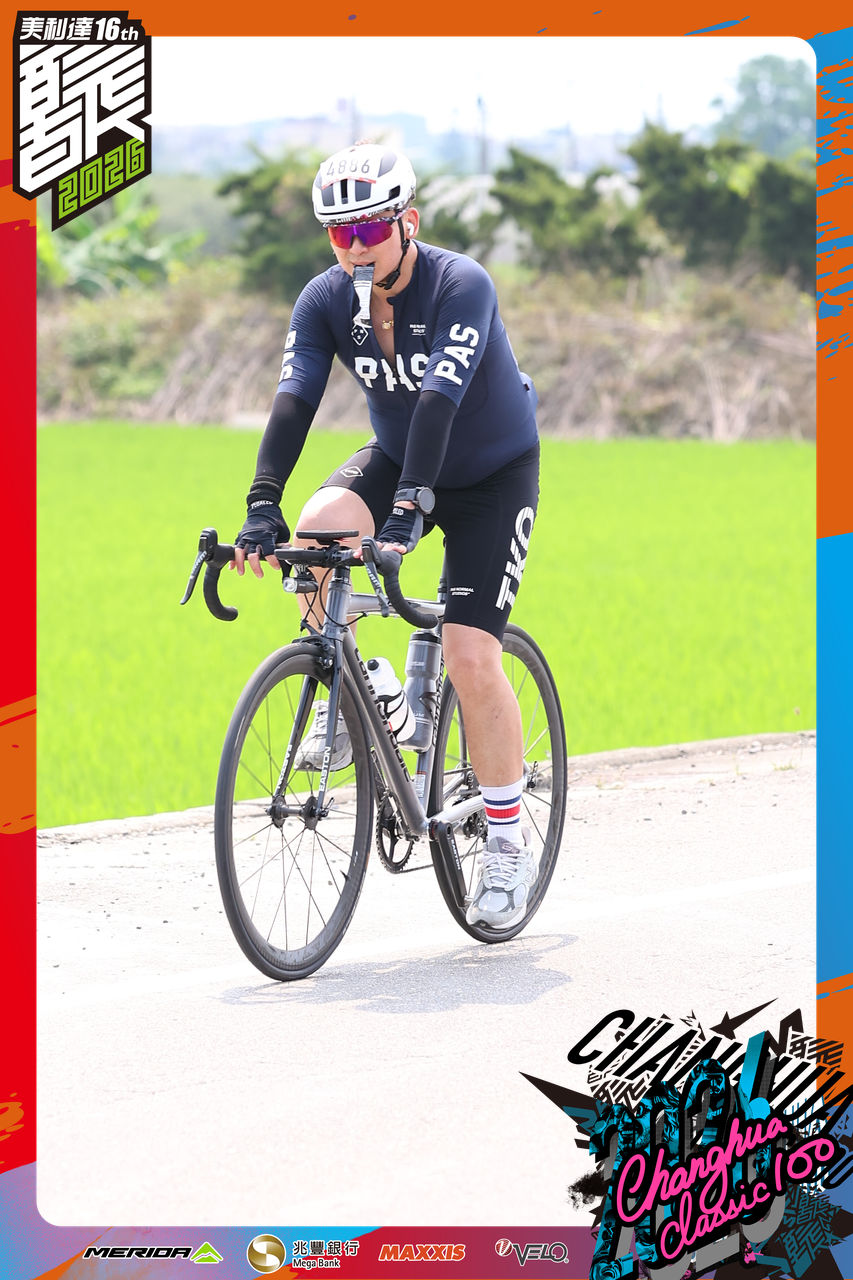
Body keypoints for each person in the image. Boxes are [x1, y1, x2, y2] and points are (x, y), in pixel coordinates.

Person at [231, 141, 540, 929]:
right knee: (315, 535)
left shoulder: (460, 283)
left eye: (370, 229)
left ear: (409, 222)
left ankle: (506, 845)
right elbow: (295, 398)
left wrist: (409, 509)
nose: (356, 247)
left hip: (490, 475)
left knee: (471, 656)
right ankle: (358, 684)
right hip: (403, 458)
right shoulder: (324, 299)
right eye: (341, 234)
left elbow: (438, 399)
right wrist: (261, 504)